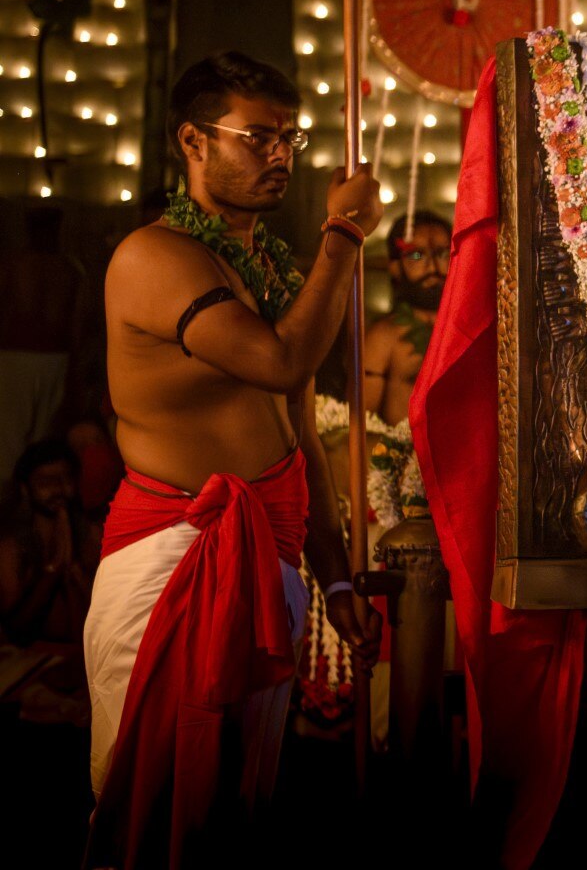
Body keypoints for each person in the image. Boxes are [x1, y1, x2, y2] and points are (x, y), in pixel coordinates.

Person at [84, 51, 382, 866]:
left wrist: (339, 572)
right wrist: (346, 235)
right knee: (159, 816)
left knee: (236, 820)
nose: (281, 154)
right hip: (177, 563)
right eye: (258, 136)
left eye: (290, 137)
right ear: (193, 141)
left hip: (272, 564)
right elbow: (282, 360)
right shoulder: (156, 256)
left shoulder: (261, 268)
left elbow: (295, 428)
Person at [0, 206, 86, 487]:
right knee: (34, 433)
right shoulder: (70, 268)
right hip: (50, 357)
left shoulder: (15, 264)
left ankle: (23, 499)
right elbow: (77, 327)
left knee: (14, 436)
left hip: (21, 356)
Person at [0, 438, 102, 645]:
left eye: (65, 479)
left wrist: (78, 578)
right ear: (25, 488)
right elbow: (15, 628)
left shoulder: (92, 535)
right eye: (46, 482)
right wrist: (54, 569)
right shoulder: (11, 547)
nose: (58, 488)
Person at [363, 209, 451, 430]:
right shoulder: (383, 336)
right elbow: (361, 426)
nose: (432, 267)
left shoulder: (467, 329)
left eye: (443, 254)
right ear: (395, 267)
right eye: (416, 255)